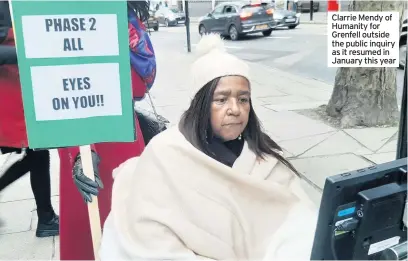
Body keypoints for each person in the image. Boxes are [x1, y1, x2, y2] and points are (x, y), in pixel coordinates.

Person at [98, 34, 318, 260]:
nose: (235, 109)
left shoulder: (265, 157)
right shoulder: (165, 154)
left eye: (243, 99)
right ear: (201, 106)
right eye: (221, 100)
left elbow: (298, 220)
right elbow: (150, 239)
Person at [57, 1, 157, 260]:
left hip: (117, 139)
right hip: (82, 140)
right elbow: (55, 92)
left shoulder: (121, 17)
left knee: (126, 230)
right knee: (92, 239)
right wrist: (79, 153)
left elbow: (137, 86)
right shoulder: (64, 15)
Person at [0, 1, 59, 237]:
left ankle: (46, 217)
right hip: (7, 96)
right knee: (37, 152)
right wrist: (31, 52)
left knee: (38, 152)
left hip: (19, 94)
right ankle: (45, 217)